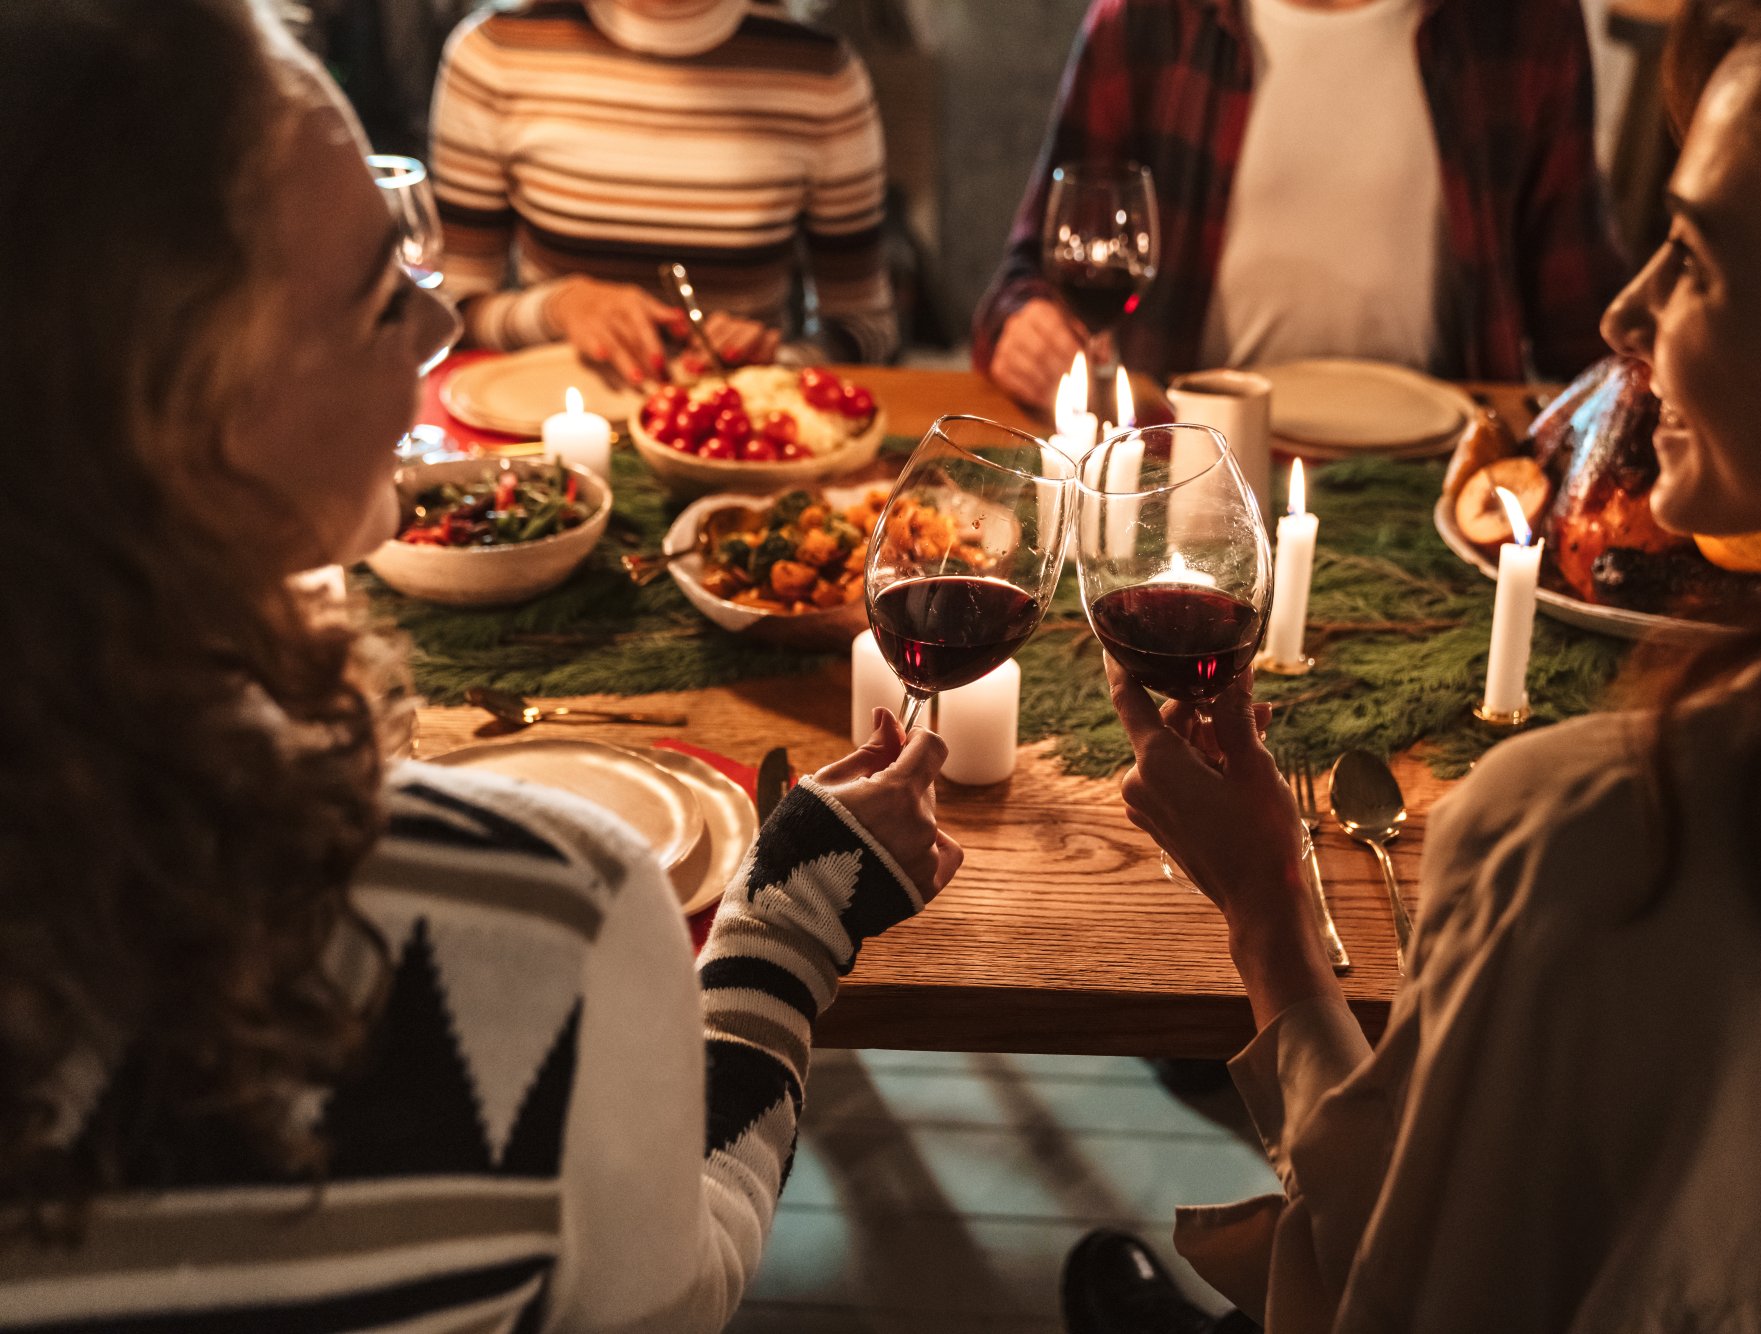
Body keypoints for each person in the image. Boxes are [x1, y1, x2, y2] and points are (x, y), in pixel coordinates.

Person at [0, 2, 956, 1330]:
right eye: (381, 296)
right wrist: (792, 918)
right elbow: (679, 1283)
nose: (442, 316)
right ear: (185, 401)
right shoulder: (539, 921)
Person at [1062, 0, 1761, 1328]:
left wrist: (1271, 911)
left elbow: (1402, 1275)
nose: (1629, 314)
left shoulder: (1599, 834)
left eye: (1699, 258)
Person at [973, 0, 1628, 411]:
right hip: (1185, 463)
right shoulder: (1143, 19)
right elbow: (1030, 272)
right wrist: (1021, 324)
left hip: (1433, 482)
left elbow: (1585, 321)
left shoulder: (1526, 22)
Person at [431, 0, 898, 386]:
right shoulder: (494, 55)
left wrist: (779, 366)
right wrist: (557, 308)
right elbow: (444, 318)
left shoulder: (822, 74)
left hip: (741, 444)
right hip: (546, 434)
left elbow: (868, 329)